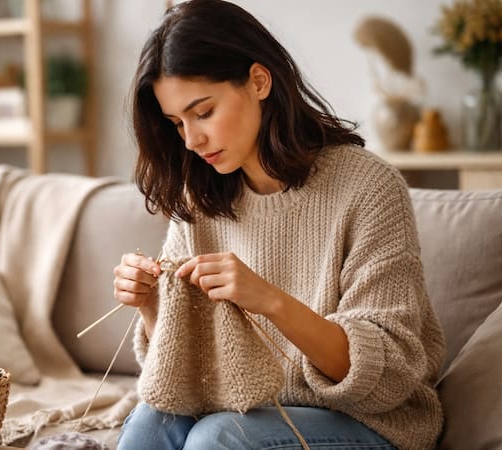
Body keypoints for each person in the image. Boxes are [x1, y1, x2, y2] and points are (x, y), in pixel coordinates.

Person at [112, 1, 445, 449]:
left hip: (371, 423)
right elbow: (182, 374)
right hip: (247, 412)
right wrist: (154, 306)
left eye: (204, 112)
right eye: (177, 124)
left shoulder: (367, 186)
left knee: (218, 438)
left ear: (258, 81)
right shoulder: (200, 197)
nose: (192, 140)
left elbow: (389, 377)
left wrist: (268, 299)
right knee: (149, 422)